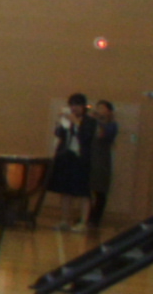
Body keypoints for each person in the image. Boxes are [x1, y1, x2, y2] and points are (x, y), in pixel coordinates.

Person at [49, 92, 94, 230]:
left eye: (77, 105)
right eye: (72, 105)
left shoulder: (89, 121)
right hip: (66, 156)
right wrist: (61, 123)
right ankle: (64, 220)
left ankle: (83, 222)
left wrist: (76, 122)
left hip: (81, 159)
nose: (74, 108)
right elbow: (59, 134)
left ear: (83, 107)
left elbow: (86, 137)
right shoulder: (67, 120)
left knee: (83, 191)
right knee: (65, 190)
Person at [88, 100, 119, 229]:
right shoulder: (93, 124)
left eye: (102, 108)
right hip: (91, 158)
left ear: (109, 111)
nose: (99, 110)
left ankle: (96, 218)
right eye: (98, 107)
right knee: (88, 189)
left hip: (102, 160)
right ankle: (88, 215)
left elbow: (104, 134)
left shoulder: (112, 125)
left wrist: (97, 120)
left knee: (100, 190)